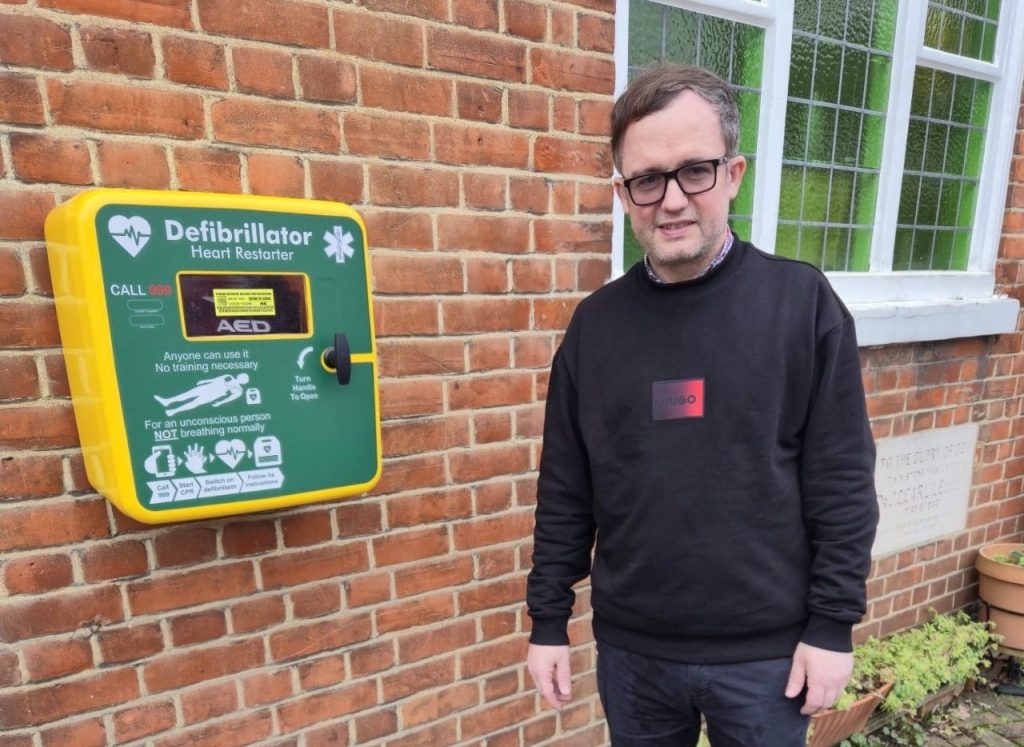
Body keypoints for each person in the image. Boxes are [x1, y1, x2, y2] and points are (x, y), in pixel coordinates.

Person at [525, 63, 879, 746]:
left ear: (734, 174)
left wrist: (833, 626)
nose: (672, 200)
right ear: (622, 193)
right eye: (647, 180)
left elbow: (841, 482)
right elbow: (566, 490)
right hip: (634, 654)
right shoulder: (595, 329)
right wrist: (547, 622)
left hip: (767, 658)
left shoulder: (801, 308)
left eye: (696, 171)